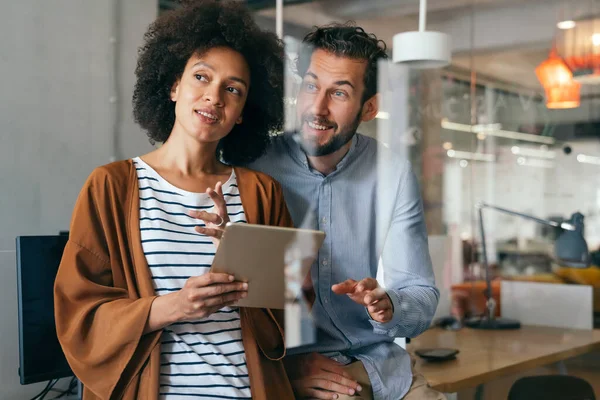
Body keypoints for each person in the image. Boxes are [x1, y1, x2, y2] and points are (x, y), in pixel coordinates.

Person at [53, 1, 294, 399]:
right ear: (173, 86)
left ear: (242, 114)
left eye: (233, 89)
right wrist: (175, 306)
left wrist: (242, 253)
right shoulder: (111, 186)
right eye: (201, 77)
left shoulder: (261, 192)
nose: (214, 96)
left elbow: (293, 305)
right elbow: (78, 313)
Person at [249, 24, 444, 400]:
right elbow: (234, 306)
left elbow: (420, 293)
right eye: (311, 86)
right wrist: (280, 368)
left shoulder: (393, 173)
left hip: (382, 369)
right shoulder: (255, 165)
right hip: (294, 373)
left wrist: (388, 306)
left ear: (369, 107)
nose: (317, 108)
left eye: (339, 92)